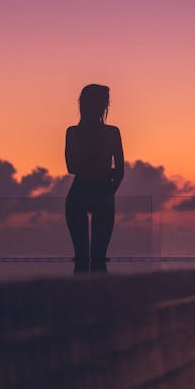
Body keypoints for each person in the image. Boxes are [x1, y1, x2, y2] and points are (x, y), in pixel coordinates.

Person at [65, 84, 124, 273]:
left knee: (81, 258)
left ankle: (80, 300)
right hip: (103, 192)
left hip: (79, 191)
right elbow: (120, 171)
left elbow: (72, 167)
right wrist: (108, 188)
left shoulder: (73, 132)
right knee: (99, 259)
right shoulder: (112, 133)